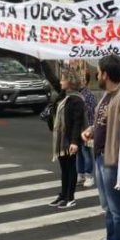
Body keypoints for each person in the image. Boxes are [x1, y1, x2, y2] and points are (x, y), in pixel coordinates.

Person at [82, 54, 120, 240]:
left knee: (118, 207)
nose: (97, 74)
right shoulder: (107, 95)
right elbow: (104, 122)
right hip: (100, 156)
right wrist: (92, 130)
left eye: (100, 71)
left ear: (106, 74)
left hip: (114, 159)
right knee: (108, 207)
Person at [49, 68, 86, 209]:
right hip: (60, 138)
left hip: (69, 139)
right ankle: (63, 194)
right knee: (64, 168)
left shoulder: (76, 99)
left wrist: (74, 142)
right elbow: (52, 80)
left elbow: (77, 122)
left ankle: (70, 197)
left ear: (69, 82)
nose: (60, 81)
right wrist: (42, 62)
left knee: (71, 168)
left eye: (63, 79)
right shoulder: (63, 95)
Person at [77, 71, 96, 188]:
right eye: (79, 78)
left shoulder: (89, 94)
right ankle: (81, 173)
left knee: (85, 151)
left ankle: (89, 175)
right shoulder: (76, 93)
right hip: (78, 126)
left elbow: (92, 111)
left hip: (87, 126)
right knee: (79, 152)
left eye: (83, 79)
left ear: (87, 81)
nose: (81, 81)